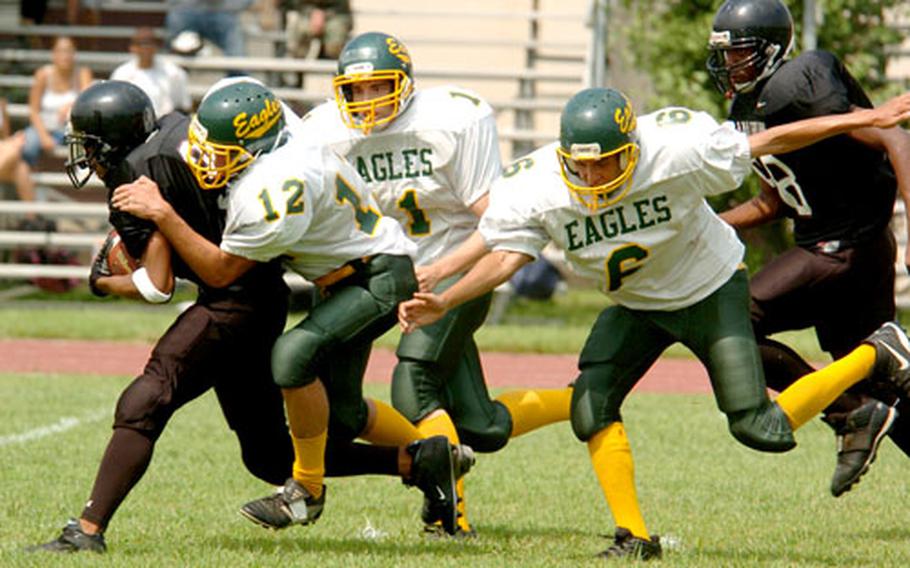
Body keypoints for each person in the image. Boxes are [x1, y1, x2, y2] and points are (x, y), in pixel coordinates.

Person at [399, 86, 910, 559]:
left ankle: (877, 352)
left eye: (609, 163)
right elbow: (509, 254)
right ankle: (635, 537)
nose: (595, 176)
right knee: (590, 406)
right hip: (638, 302)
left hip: (709, 287)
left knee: (761, 428)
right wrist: (444, 297)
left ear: (634, 147)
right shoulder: (538, 185)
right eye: (585, 165)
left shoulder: (675, 147)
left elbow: (770, 140)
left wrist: (869, 117)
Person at [29, 80, 467, 553]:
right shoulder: (205, 134)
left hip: (237, 301)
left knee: (147, 398)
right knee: (268, 453)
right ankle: (416, 462)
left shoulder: (245, 181)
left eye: (90, 148)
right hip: (269, 295)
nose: (206, 161)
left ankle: (88, 531)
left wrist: (102, 281)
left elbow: (165, 284)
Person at [293, 31, 573, 537]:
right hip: (378, 270)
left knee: (415, 383)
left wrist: (444, 273)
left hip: (453, 262)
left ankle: (450, 515)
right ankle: (580, 400)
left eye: (377, 87)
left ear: (404, 84)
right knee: (482, 426)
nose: (364, 101)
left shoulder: (451, 120)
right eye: (353, 91)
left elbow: (499, 221)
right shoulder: (322, 132)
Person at [707, 0, 910, 498]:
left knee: (734, 318)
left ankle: (847, 416)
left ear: (773, 50)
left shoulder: (801, 81)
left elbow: (895, 135)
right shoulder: (745, 110)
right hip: (832, 248)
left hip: (845, 247)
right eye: (725, 56)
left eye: (740, 54)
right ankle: (859, 409)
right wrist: (704, 225)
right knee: (878, 382)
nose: (729, 65)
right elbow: (773, 201)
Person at [21, 36, 92, 168]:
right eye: (61, 51)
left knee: (88, 141)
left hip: (71, 129)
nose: (65, 55)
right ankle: (30, 179)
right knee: (27, 146)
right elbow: (33, 110)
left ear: (74, 53)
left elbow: (86, 99)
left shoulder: (82, 72)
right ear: (53, 54)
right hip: (45, 127)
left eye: (68, 51)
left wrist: (70, 105)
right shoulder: (43, 74)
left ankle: (81, 171)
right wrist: (43, 136)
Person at [110, 27, 192, 118]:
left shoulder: (174, 73)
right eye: (141, 43)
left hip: (166, 125)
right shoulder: (121, 74)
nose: (146, 48)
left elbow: (184, 107)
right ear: (132, 48)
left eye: (149, 43)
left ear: (156, 46)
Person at [165, 0, 252, 61]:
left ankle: (239, 81)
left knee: (236, 54)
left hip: (223, 13)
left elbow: (245, 2)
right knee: (177, 18)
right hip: (186, 12)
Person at [283, 0, 353, 60]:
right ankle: (296, 70)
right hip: (307, 15)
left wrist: (324, 14)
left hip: (336, 15)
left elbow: (341, 8)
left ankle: (335, 68)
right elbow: (296, 4)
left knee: (336, 37)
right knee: (296, 32)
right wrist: (312, 12)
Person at [0, 97, 36, 202]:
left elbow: (4, 137)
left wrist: (14, 139)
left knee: (22, 168)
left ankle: (31, 217)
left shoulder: (1, 105)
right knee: (14, 152)